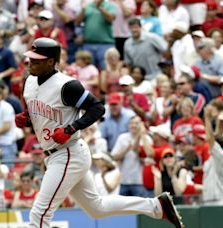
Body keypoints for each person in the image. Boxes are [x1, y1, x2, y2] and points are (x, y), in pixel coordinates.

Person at [17, 37, 183, 228]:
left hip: (68, 153)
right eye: (30, 58)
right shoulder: (29, 81)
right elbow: (42, 111)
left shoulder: (67, 85)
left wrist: (71, 128)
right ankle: (155, 206)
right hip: (58, 154)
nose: (31, 63)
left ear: (51, 62)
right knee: (97, 208)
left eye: (37, 60)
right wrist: (27, 118)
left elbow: (97, 108)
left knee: (39, 214)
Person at [111, 116, 151, 197]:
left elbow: (149, 159)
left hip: (140, 181)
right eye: (131, 123)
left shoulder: (147, 139)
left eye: (136, 123)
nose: (134, 125)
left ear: (141, 125)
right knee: (123, 208)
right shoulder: (122, 137)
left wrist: (140, 136)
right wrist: (126, 150)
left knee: (139, 208)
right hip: (123, 181)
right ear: (128, 125)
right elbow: (114, 157)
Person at [202, 104, 223, 205]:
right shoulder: (214, 157)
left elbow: (210, 139)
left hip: (220, 200)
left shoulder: (222, 155)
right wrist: (219, 123)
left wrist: (207, 118)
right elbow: (215, 137)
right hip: (208, 199)